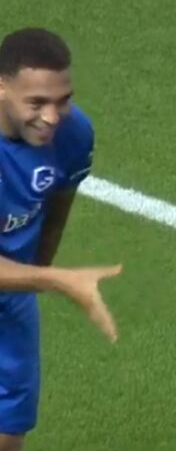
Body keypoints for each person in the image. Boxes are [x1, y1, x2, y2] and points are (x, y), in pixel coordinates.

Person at [0, 27, 122, 451]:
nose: (52, 117)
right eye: (36, 103)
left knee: (10, 421)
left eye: (62, 100)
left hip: (12, 295)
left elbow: (56, 211)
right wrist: (58, 280)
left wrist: (37, 274)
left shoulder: (74, 134)